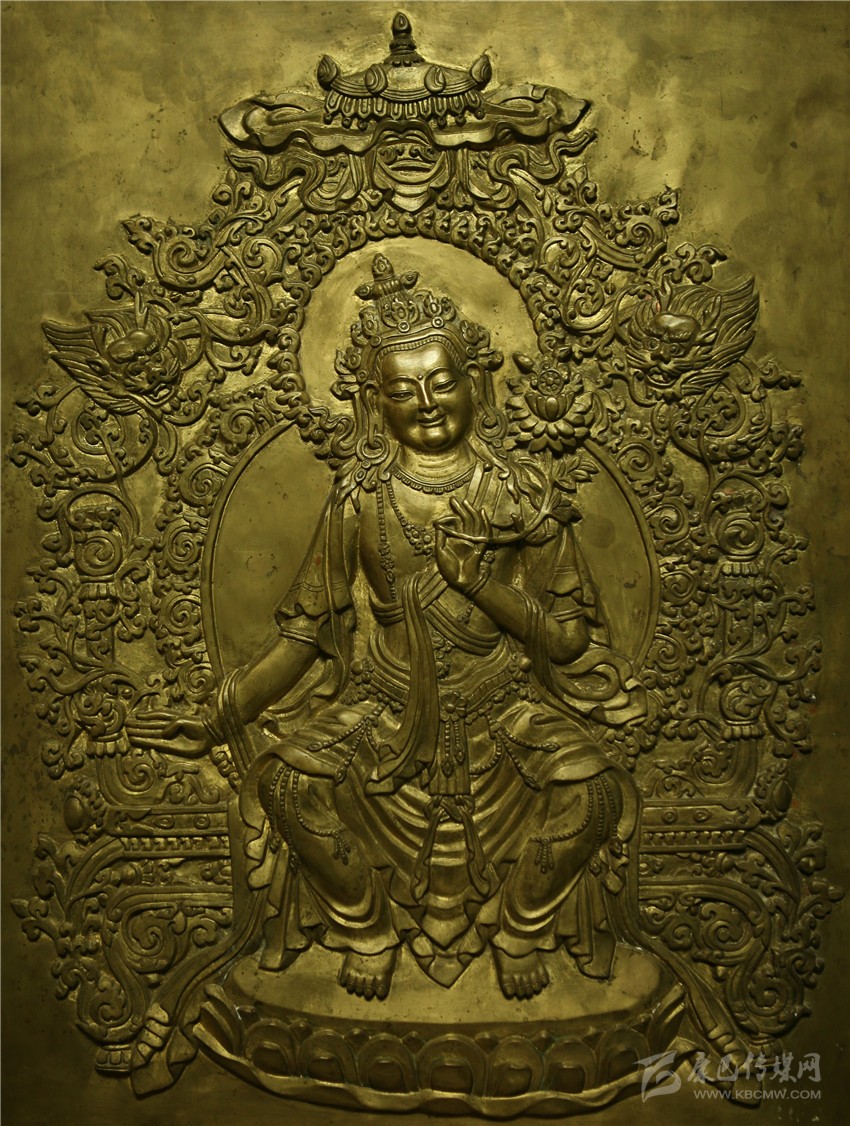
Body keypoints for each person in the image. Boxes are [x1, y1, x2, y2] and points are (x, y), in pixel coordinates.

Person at [128, 255, 645, 1002]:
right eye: (403, 391)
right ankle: (365, 925)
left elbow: (567, 642)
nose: (427, 404)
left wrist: (481, 587)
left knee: (594, 795)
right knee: (285, 785)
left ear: (475, 385)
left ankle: (521, 927)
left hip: (501, 709)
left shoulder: (520, 492)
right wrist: (218, 716)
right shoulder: (360, 499)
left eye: (443, 382)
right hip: (386, 710)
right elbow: (304, 637)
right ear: (376, 404)